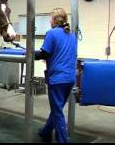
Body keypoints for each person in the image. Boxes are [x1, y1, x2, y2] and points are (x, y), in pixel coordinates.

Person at [34, 8, 77, 143]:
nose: (49, 21)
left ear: (53, 20)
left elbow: (45, 54)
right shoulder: (72, 35)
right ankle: (46, 132)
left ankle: (63, 141)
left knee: (57, 112)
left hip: (57, 79)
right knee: (57, 108)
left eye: (50, 19)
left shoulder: (51, 33)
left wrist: (31, 53)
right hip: (70, 78)